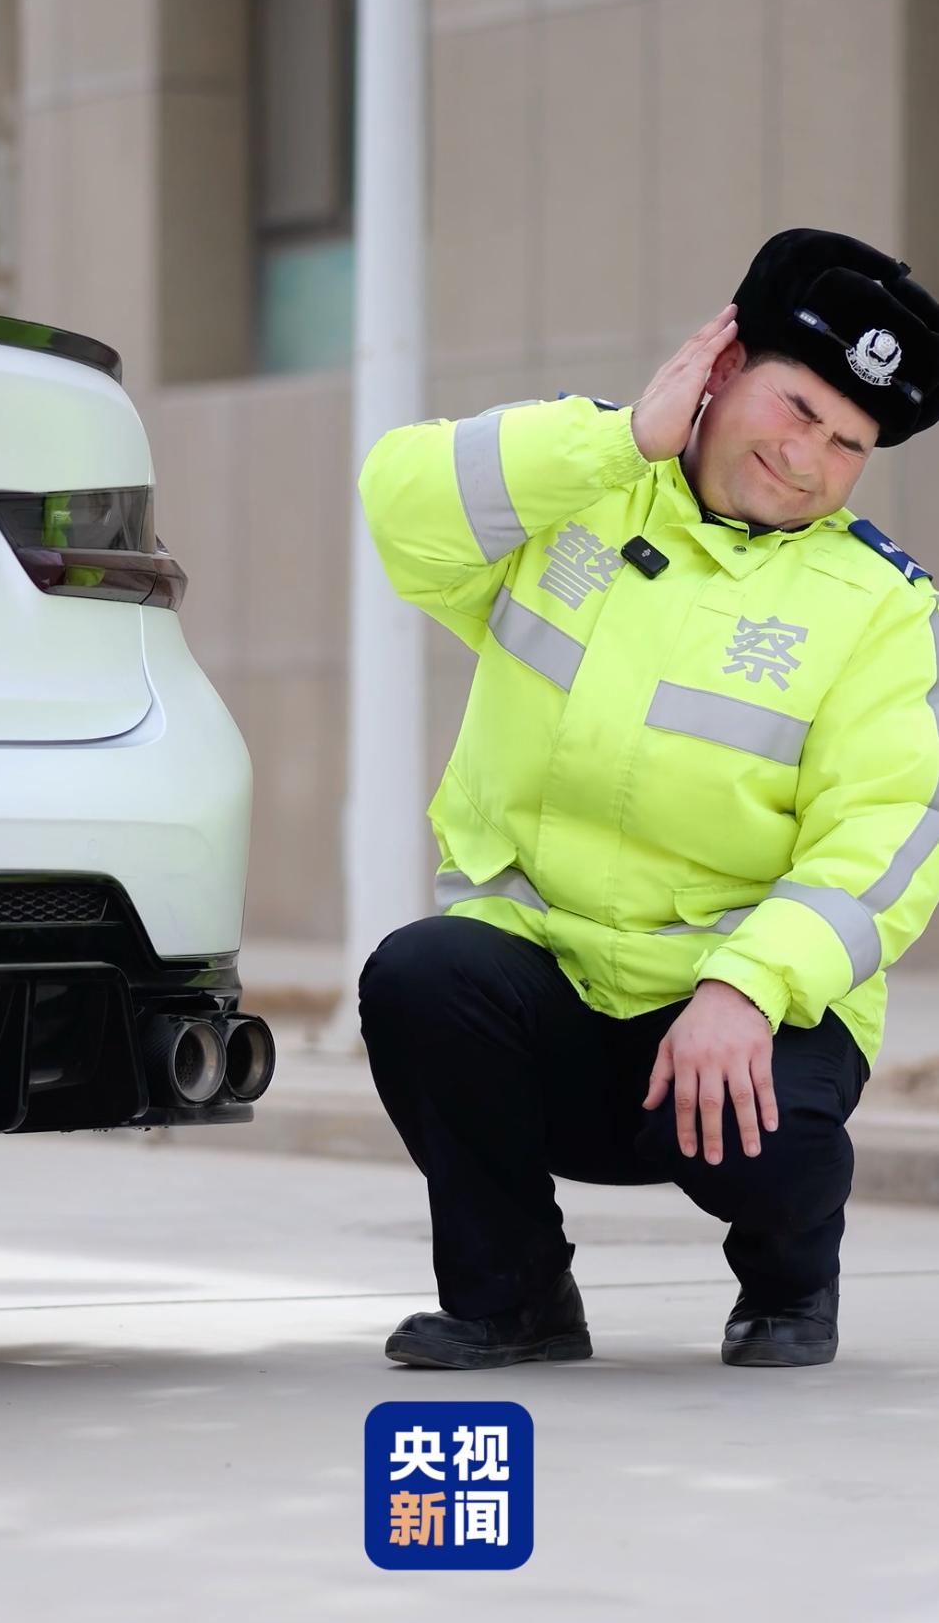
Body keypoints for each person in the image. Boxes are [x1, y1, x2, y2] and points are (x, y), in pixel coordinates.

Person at [357, 227, 939, 1369]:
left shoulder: (881, 608)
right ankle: (515, 1294)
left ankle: (789, 1275)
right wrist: (619, 437)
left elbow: (885, 839)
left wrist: (747, 985)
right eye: (796, 408)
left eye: (848, 442)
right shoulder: (583, 486)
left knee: (765, 1144)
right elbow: (399, 502)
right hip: (550, 984)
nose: (808, 459)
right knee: (420, 975)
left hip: (746, 1016)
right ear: (721, 365)